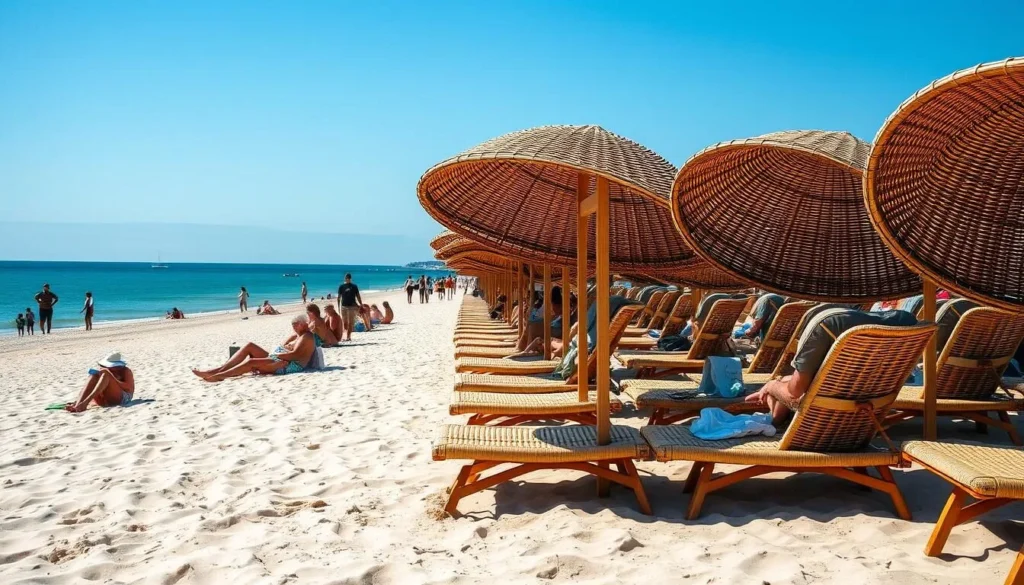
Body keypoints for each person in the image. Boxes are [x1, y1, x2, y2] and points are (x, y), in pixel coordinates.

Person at [744, 308, 917, 424]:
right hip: (865, 415)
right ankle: (775, 416)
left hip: (825, 421)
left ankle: (774, 416)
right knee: (791, 382)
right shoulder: (904, 323)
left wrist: (772, 385)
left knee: (788, 386)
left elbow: (794, 392)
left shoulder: (825, 326)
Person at [192, 315, 316, 382]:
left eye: (295, 326)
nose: (293, 329)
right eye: (293, 326)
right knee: (249, 346)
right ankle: (218, 370)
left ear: (302, 325)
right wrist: (283, 348)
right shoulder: (299, 335)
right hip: (282, 357)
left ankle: (220, 375)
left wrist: (278, 354)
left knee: (251, 362)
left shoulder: (307, 337)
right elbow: (285, 345)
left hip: (288, 365)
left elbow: (295, 355)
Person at [66, 352, 135, 412]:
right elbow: (96, 386)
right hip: (106, 400)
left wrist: (112, 378)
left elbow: (128, 387)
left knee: (105, 374)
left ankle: (84, 404)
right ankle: (78, 403)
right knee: (94, 375)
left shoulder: (126, 371)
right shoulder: (107, 371)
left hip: (123, 398)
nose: (103, 367)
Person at [337, 273, 363, 341]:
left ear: (350, 279)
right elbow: (339, 297)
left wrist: (361, 304)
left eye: (348, 278)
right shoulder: (341, 286)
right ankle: (345, 335)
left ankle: (348, 337)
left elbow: (358, 296)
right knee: (344, 322)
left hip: (352, 306)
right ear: (344, 279)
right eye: (346, 278)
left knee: (350, 322)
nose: (347, 279)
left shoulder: (354, 286)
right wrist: (338, 306)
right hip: (343, 306)